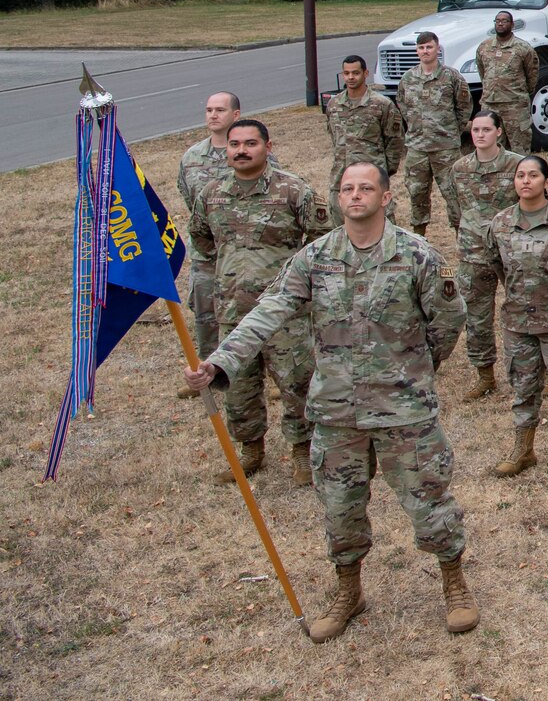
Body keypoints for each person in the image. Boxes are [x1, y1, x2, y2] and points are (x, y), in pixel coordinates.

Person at [183, 161, 478, 644]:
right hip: (337, 412)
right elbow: (268, 311)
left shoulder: (418, 256)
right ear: (338, 198)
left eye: (366, 188)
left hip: (404, 410)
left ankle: (454, 583)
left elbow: (448, 321)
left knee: (429, 500)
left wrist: (415, 372)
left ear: (385, 198)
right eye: (347, 188)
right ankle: (349, 592)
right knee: (340, 508)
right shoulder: (314, 258)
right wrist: (221, 363)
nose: (355, 195)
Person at [188, 119, 326, 485]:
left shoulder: (294, 191)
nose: (241, 150)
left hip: (285, 312)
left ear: (268, 146)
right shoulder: (211, 194)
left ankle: (302, 452)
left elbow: (323, 240)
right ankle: (250, 450)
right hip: (233, 309)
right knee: (238, 385)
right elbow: (202, 240)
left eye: (250, 143)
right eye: (234, 144)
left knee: (297, 382)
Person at [472, 155, 548, 483]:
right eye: (520, 176)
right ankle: (523, 449)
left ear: (546, 181)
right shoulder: (499, 224)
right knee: (524, 387)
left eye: (532, 175)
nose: (525, 181)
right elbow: (497, 266)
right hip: (518, 322)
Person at [451, 110, 522, 401]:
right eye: (475, 130)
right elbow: (457, 209)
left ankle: (534, 373)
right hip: (472, 253)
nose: (479, 135)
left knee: (523, 315)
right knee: (476, 318)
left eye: (485, 130)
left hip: (511, 253)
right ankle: (485, 376)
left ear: (499, 132)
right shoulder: (460, 168)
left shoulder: (517, 165)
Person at [177, 91, 247, 383]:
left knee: (245, 314)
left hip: (242, 252)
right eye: (208, 110)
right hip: (206, 254)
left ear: (236, 115)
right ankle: (208, 373)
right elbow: (188, 197)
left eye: (220, 109)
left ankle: (247, 374)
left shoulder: (248, 151)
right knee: (205, 315)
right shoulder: (192, 157)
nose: (213, 115)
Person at [399, 31, 472, 237]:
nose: (425, 51)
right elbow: (403, 105)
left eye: (429, 47)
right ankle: (419, 237)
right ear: (417, 51)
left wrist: (450, 131)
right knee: (416, 194)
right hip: (417, 149)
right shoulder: (408, 78)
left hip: (445, 148)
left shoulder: (451, 76)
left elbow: (464, 107)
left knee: (454, 194)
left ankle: (462, 236)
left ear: (437, 49)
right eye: (421, 48)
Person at [325, 55, 405, 211]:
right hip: (341, 175)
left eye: (355, 73)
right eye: (346, 73)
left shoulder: (381, 105)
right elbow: (334, 137)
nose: (350, 77)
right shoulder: (334, 105)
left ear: (365, 73)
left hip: (372, 175)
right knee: (341, 221)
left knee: (380, 221)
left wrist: (384, 171)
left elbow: (395, 141)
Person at [475, 11, 540, 152]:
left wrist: (520, 93)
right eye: (497, 20)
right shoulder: (484, 47)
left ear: (512, 24)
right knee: (492, 148)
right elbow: (483, 72)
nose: (500, 23)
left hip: (515, 105)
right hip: (490, 104)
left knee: (520, 148)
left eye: (504, 20)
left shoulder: (523, 48)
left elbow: (532, 75)